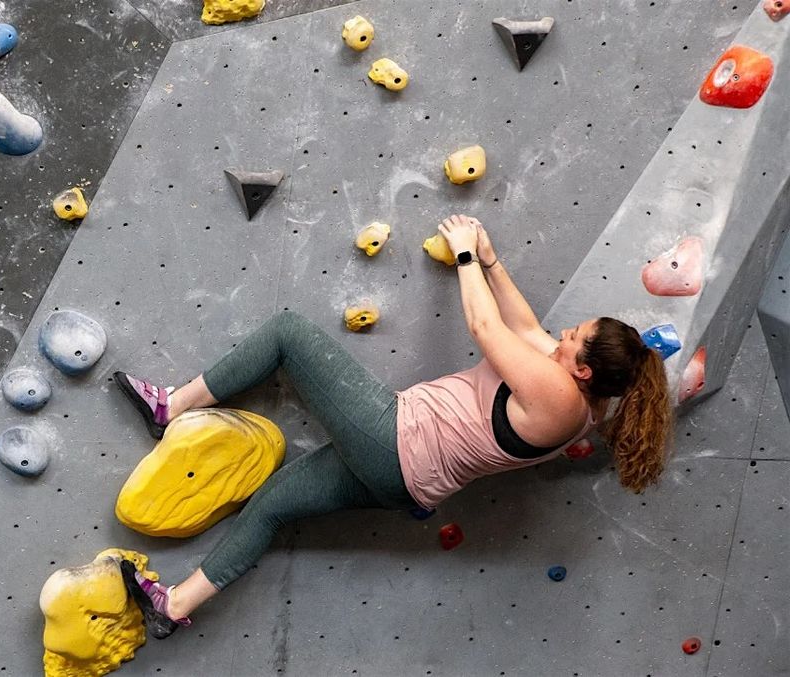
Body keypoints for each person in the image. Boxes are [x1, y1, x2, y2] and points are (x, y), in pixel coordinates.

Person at [112, 214, 673, 638]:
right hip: (405, 481)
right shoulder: (581, 402)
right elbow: (527, 328)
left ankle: (171, 407)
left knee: (288, 333)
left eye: (574, 336)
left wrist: (464, 258)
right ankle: (175, 607)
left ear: (582, 370)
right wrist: (493, 259)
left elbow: (485, 325)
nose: (563, 334)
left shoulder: (556, 396)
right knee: (273, 504)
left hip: (393, 438)